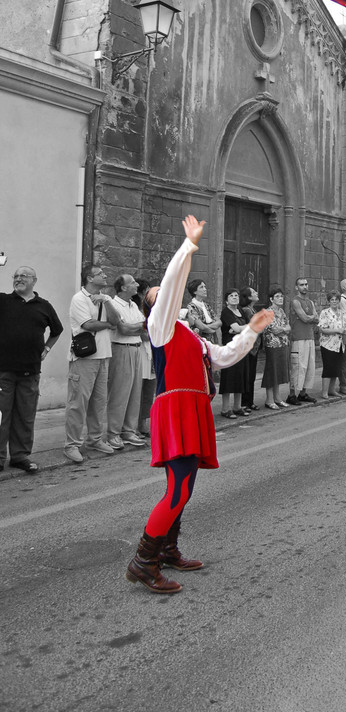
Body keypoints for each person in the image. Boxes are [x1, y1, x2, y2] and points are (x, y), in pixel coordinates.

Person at [125, 215, 273, 594]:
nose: (165, 294)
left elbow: (223, 355)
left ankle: (168, 549)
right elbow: (173, 287)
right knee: (176, 489)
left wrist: (252, 331)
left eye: (163, 293)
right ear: (151, 307)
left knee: (185, 487)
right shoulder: (160, 327)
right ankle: (143, 562)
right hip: (174, 411)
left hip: (193, 410)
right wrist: (188, 246)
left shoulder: (190, 335)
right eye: (155, 294)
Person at [0, 265, 63, 473]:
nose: (19, 279)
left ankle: (20, 456)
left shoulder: (44, 306)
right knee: (2, 416)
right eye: (16, 276)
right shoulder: (3, 301)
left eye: (23, 276)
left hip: (30, 372)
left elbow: (57, 330)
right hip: (3, 371)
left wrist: (46, 348)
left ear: (34, 281)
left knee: (25, 416)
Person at [64, 265, 122, 464]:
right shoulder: (78, 299)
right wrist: (109, 325)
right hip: (84, 359)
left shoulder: (104, 299)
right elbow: (88, 325)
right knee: (78, 403)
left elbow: (117, 320)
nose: (105, 275)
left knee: (99, 403)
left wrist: (106, 301)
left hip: (103, 356)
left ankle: (95, 439)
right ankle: (71, 444)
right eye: (101, 274)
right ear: (90, 277)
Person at [107, 274, 148, 450]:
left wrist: (137, 328)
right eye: (132, 283)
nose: (137, 284)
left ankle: (129, 430)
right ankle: (113, 433)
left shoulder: (133, 305)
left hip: (136, 349)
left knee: (134, 392)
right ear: (123, 288)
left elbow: (147, 330)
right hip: (121, 349)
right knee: (119, 393)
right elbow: (123, 329)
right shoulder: (113, 304)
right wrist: (139, 328)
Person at [219, 290, 251, 418]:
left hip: (242, 348)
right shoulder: (226, 312)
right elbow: (238, 328)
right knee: (229, 377)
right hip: (230, 348)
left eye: (236, 295)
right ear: (226, 300)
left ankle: (237, 407)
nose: (234, 297)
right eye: (231, 296)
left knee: (241, 376)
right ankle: (225, 409)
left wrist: (238, 329)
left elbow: (249, 326)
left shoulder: (241, 311)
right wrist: (238, 329)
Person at [289, 277, 318, 404]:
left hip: (310, 336)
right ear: (297, 287)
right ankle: (291, 394)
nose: (304, 287)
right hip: (298, 337)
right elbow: (305, 318)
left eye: (306, 284)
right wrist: (311, 318)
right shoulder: (295, 301)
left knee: (310, 366)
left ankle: (303, 393)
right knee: (298, 366)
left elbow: (316, 318)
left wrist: (310, 318)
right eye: (301, 285)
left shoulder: (310, 302)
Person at [261, 287, 290, 409]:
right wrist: (284, 329)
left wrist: (283, 329)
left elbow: (288, 327)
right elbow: (275, 329)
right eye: (277, 296)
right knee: (272, 370)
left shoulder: (282, 312)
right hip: (272, 345)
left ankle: (277, 397)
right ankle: (269, 399)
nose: (280, 298)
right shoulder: (267, 312)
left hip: (282, 344)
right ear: (271, 299)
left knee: (279, 371)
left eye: (281, 296)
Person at [134, 278, 155, 437]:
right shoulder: (135, 307)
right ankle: (133, 425)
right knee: (137, 390)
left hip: (152, 350)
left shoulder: (151, 307)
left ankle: (144, 423)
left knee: (149, 389)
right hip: (140, 350)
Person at [318, 291, 346, 399]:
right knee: (328, 367)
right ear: (329, 301)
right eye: (332, 300)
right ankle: (324, 392)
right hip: (327, 344)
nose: (334, 302)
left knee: (336, 367)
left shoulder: (343, 313)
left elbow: (345, 327)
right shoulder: (324, 313)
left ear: (339, 301)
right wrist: (337, 330)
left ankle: (332, 390)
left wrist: (344, 331)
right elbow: (322, 329)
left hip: (339, 344)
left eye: (336, 300)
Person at [239, 287, 261, 411]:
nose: (256, 293)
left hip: (254, 347)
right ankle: (245, 402)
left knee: (251, 375)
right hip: (249, 347)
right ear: (248, 297)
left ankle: (250, 401)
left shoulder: (252, 309)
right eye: (253, 293)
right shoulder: (247, 311)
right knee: (247, 376)